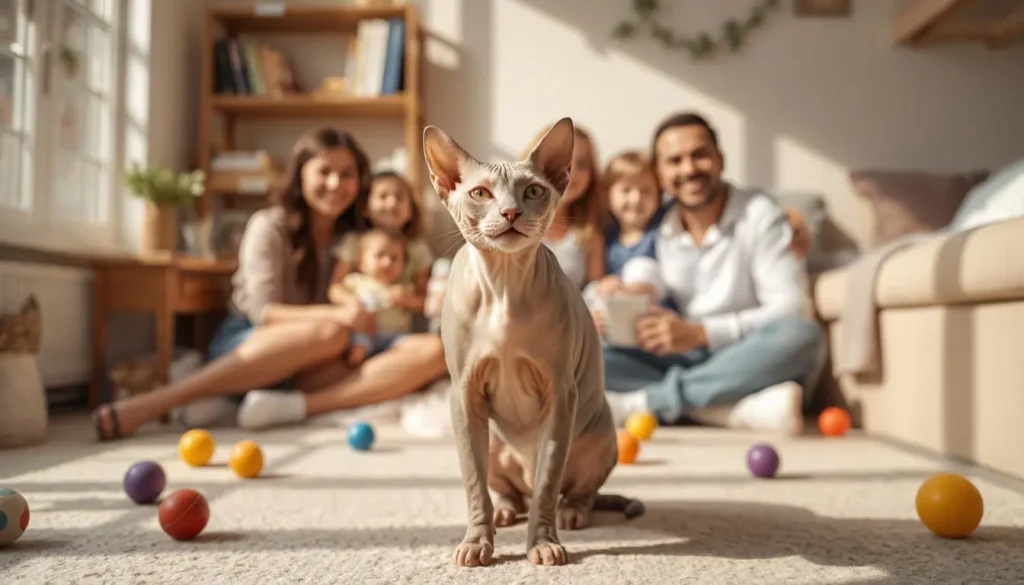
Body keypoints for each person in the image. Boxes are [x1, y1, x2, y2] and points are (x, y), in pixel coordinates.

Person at [91, 127, 447, 440]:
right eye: (324, 171)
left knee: (437, 350)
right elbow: (264, 312)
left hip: (324, 359)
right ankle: (158, 402)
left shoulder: (358, 240)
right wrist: (342, 315)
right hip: (251, 343)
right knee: (330, 330)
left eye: (348, 174)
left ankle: (293, 407)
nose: (336, 184)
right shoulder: (270, 225)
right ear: (301, 175)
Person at [601, 112, 824, 435]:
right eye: (674, 161)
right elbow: (646, 274)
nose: (689, 169)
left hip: (746, 353)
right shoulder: (660, 224)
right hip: (683, 357)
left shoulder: (761, 216)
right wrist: (621, 299)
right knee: (587, 349)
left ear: (720, 159)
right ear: (660, 175)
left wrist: (702, 333)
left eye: (699, 155)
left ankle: (645, 403)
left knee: (802, 336)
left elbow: (793, 308)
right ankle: (723, 409)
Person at [330, 170, 433, 309]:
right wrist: (353, 303)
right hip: (357, 325)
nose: (392, 203)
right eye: (383, 196)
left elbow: (426, 300)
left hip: (400, 328)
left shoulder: (417, 248)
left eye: (400, 197)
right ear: (365, 208)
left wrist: (407, 300)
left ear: (411, 211)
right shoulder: (354, 242)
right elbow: (335, 288)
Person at [522, 123, 605, 290]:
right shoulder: (510, 221)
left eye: (582, 164)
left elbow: (596, 294)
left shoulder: (590, 236)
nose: (571, 172)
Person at [331, 228, 417, 366]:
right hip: (365, 332)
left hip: (396, 336)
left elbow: (420, 305)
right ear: (361, 261)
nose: (387, 262)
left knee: (412, 345)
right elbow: (335, 292)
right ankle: (355, 361)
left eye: (394, 258)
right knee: (357, 341)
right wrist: (352, 301)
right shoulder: (355, 281)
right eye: (380, 255)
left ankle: (384, 365)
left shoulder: (403, 287)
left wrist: (406, 300)